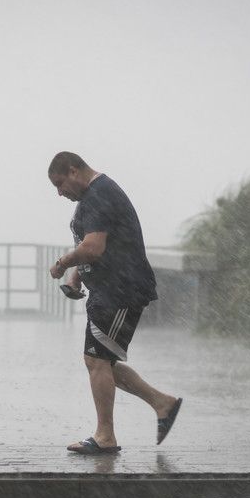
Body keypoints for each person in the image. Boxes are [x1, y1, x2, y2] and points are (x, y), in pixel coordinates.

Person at [47, 151, 182, 454]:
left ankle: (105, 437)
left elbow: (93, 248)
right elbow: (100, 246)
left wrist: (62, 263)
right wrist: (76, 276)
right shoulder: (93, 196)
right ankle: (163, 403)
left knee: (97, 361)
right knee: (102, 361)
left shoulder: (99, 195)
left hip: (120, 290)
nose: (59, 193)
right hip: (110, 289)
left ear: (73, 171)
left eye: (60, 184)